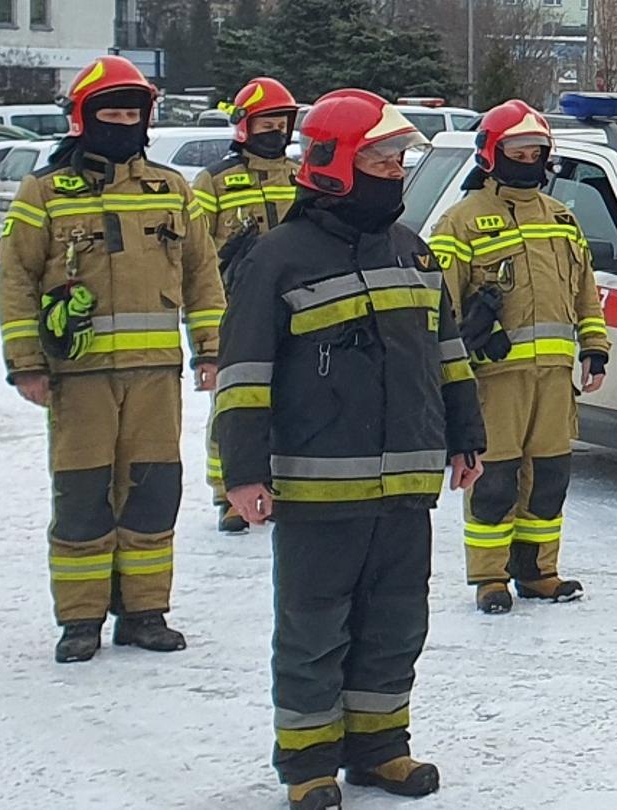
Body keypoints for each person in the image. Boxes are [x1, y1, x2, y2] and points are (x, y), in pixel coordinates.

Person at [213, 88, 486, 810]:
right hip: (318, 490)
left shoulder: (413, 250)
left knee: (396, 623)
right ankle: (308, 765)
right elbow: (243, 375)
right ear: (334, 165)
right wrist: (242, 473)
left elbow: (448, 354)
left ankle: (379, 749)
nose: (396, 172)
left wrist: (466, 435)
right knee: (314, 630)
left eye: (399, 160)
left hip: (405, 489)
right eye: (382, 160)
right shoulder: (278, 258)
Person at [0, 55, 225, 664]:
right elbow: (15, 280)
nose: (123, 125)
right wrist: (27, 363)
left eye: (132, 115)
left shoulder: (171, 190)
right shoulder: (44, 192)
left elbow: (203, 274)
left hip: (154, 376)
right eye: (111, 115)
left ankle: (145, 612)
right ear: (83, 120)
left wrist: (211, 349)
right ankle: (80, 619)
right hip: (79, 379)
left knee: (153, 492)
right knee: (82, 496)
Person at [426, 100, 610, 615]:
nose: (528, 161)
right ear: (491, 154)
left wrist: (595, 348)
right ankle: (490, 579)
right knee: (494, 481)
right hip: (493, 379)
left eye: (536, 153)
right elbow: (439, 305)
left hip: (555, 379)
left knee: (548, 479)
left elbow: (585, 292)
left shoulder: (562, 218)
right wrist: (467, 341)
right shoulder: (460, 222)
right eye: (517, 152)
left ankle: (537, 573)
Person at [191, 77, 303, 534]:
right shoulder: (214, 180)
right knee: (235, 402)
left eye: (280, 124)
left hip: (295, 307)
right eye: (265, 124)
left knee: (293, 398)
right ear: (244, 126)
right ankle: (228, 491)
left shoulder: (300, 175)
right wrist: (227, 258)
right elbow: (195, 252)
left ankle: (281, 483)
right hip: (235, 309)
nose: (274, 132)